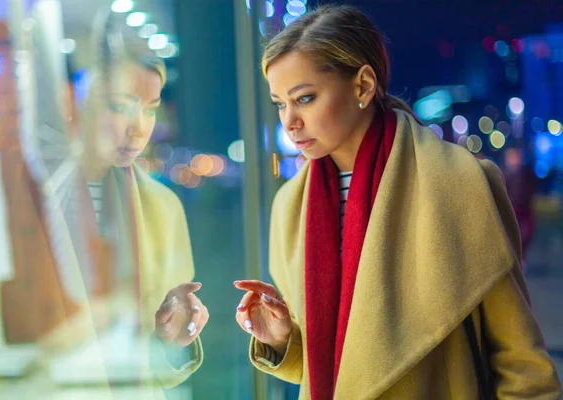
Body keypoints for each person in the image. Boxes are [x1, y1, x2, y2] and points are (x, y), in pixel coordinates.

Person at [234, 5, 561, 400]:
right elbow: (341, 365)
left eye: (305, 98)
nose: (289, 121)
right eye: (279, 103)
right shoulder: (290, 207)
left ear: (363, 85)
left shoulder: (456, 180)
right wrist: (283, 338)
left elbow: (521, 362)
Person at [42, 14, 208, 390]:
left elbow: (164, 365)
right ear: (77, 103)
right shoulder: (40, 197)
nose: (139, 127)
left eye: (150, 107)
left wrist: (174, 337)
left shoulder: (164, 207)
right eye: (120, 105)